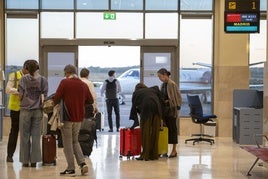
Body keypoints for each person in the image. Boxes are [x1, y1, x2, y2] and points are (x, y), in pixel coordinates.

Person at [53, 64, 93, 176]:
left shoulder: (64, 83)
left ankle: (71, 167)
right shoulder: (83, 85)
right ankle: (82, 163)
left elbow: (56, 98)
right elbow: (90, 100)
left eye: (65, 73)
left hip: (67, 118)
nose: (64, 75)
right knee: (75, 141)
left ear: (67, 72)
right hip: (79, 118)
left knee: (67, 143)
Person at [18, 59, 48, 167]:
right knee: (36, 136)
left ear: (26, 68)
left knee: (24, 136)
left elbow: (20, 95)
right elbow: (44, 95)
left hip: (25, 110)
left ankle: (25, 161)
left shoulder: (23, 79)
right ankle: (34, 161)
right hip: (38, 110)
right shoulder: (43, 80)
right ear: (38, 68)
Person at [129, 83, 164, 161]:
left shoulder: (136, 93)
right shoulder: (153, 90)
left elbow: (134, 107)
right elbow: (162, 99)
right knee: (155, 132)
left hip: (146, 109)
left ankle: (145, 155)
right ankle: (154, 155)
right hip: (157, 109)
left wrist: (138, 118)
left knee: (145, 133)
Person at [5, 60, 30, 162]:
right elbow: (7, 89)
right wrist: (19, 91)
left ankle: (26, 157)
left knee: (26, 133)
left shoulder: (32, 77)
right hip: (16, 108)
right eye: (29, 71)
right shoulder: (14, 75)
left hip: (27, 108)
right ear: (24, 68)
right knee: (14, 132)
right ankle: (10, 155)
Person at [157, 68, 182, 158]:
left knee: (172, 130)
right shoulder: (162, 85)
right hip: (165, 110)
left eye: (160, 76)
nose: (159, 78)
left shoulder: (172, 84)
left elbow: (178, 97)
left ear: (165, 75)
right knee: (165, 130)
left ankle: (174, 150)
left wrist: (175, 106)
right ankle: (164, 149)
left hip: (171, 110)